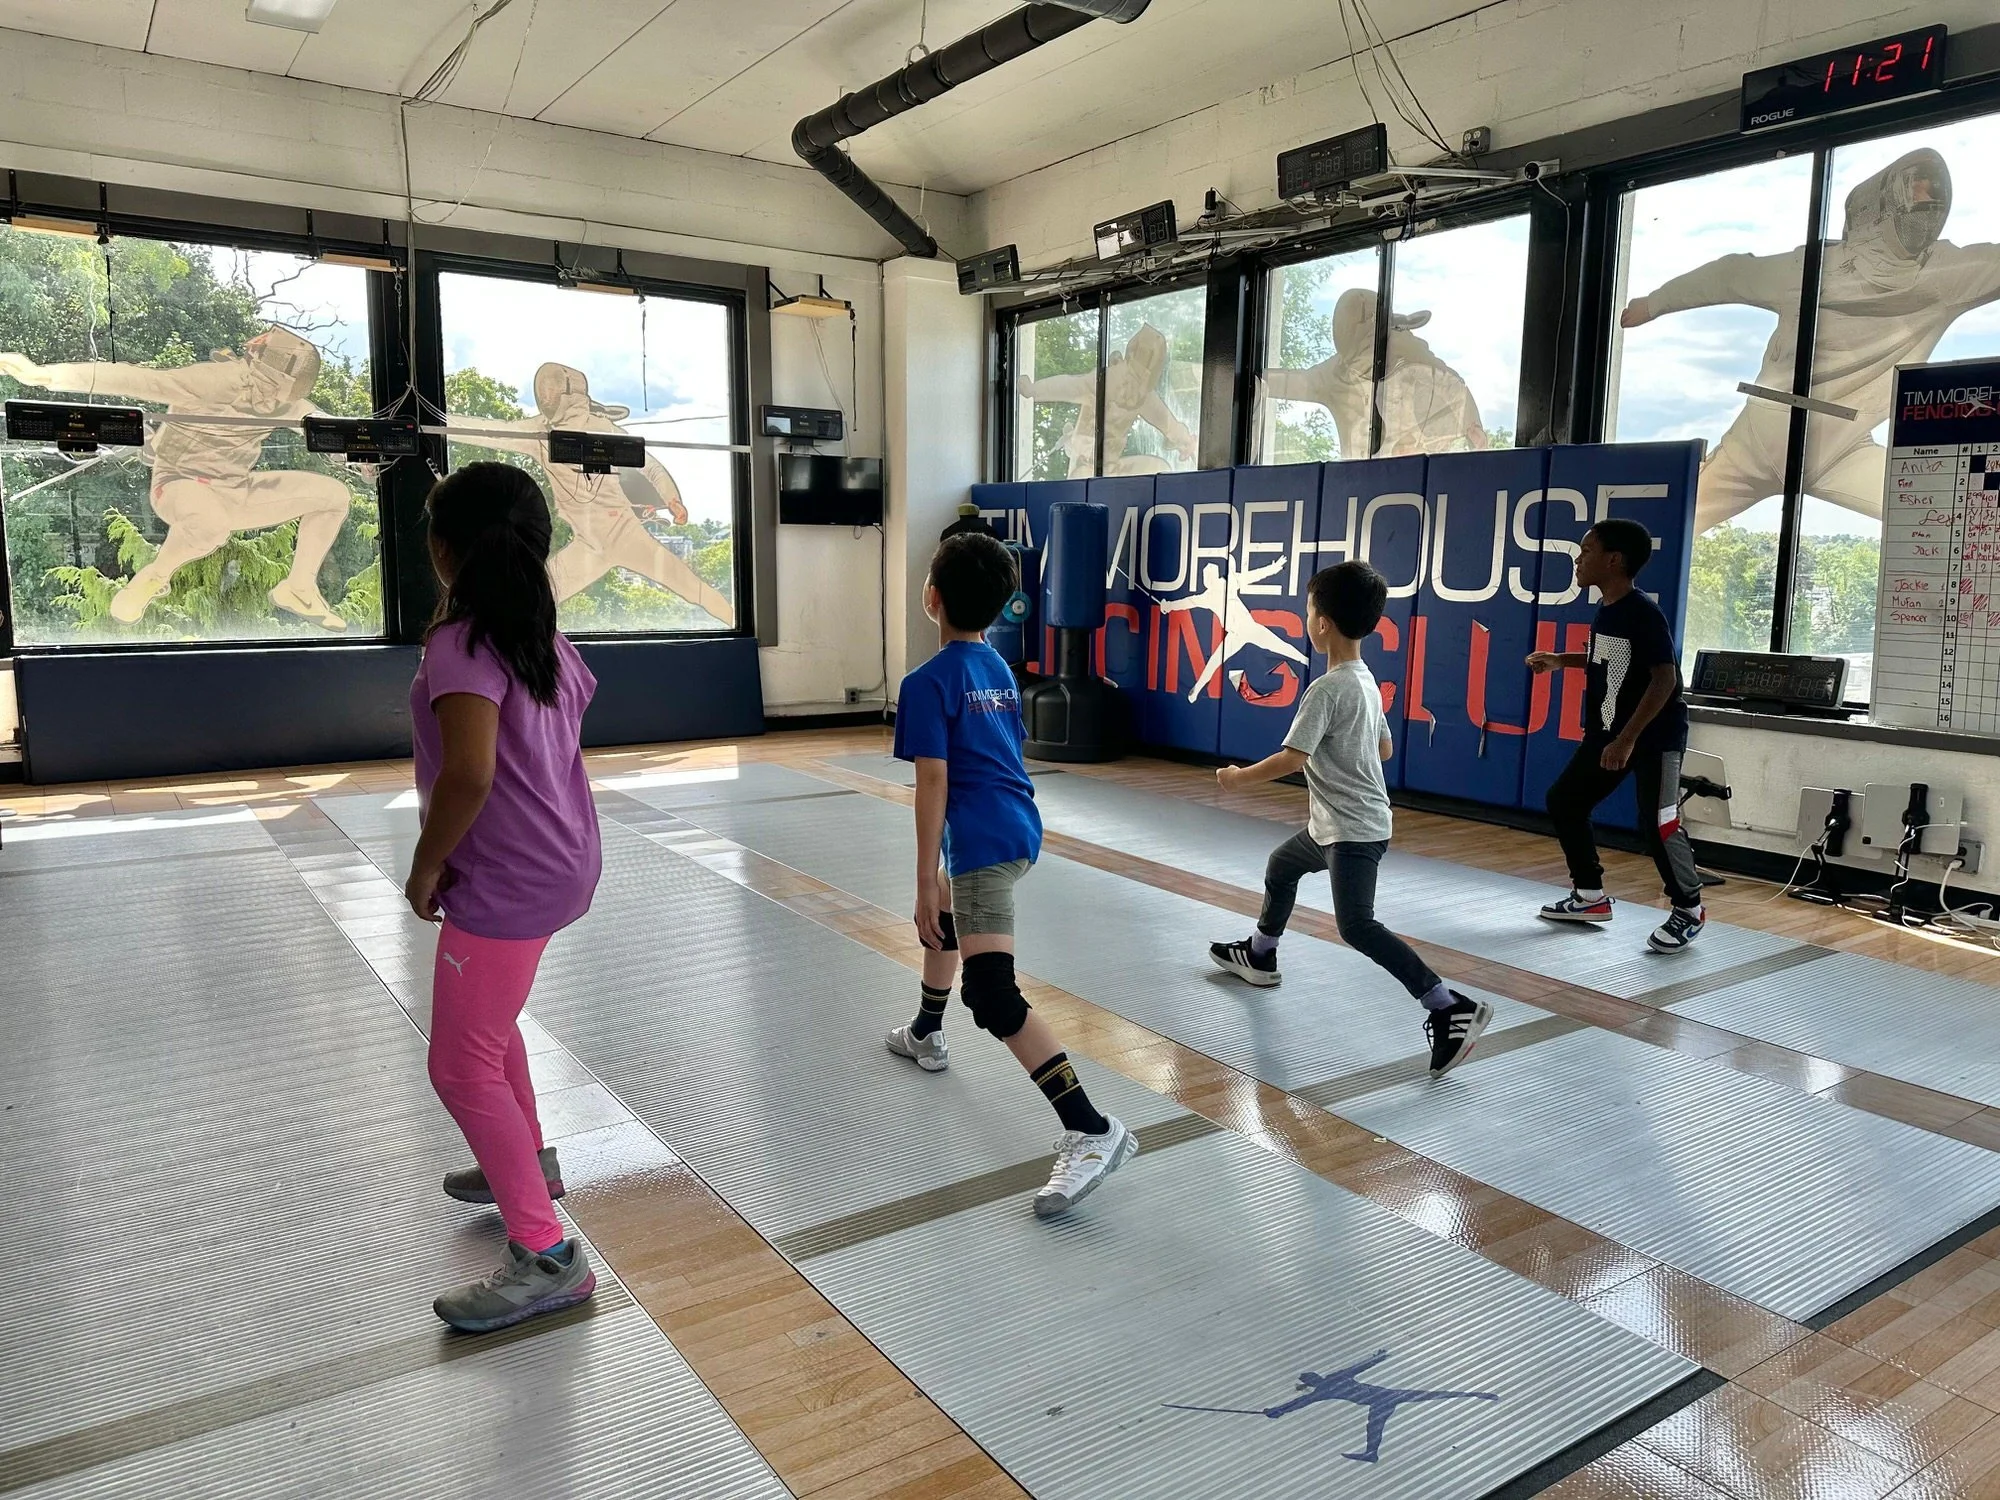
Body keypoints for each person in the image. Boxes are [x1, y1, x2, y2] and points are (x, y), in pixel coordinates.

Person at [403, 461, 603, 1331]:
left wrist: (426, 863)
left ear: (445, 549)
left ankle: (547, 1256)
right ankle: (523, 1163)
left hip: (508, 878)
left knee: (458, 1064)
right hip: (562, 860)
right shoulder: (544, 639)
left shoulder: (462, 643)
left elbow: (470, 774)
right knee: (492, 1027)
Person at [885, 532, 1138, 1216]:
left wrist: (923, 876)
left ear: (930, 597)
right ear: (1001, 608)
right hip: (1018, 825)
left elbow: (932, 782)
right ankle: (925, 1031)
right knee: (947, 915)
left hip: (984, 845)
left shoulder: (925, 683)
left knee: (993, 996)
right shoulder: (999, 666)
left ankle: (1092, 1128)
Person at [1207, 560, 1492, 1075]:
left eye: (1308, 610)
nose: (1306, 618)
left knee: (1357, 925)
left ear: (1322, 623)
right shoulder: (1364, 681)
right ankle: (1261, 954)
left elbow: (1292, 758)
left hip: (1352, 831)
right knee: (1281, 866)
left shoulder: (1326, 688)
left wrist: (1237, 779)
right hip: (1334, 825)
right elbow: (1384, 748)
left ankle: (1448, 1005)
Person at [1620, 148, 2000, 531]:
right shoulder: (1815, 270)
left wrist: (1653, 303)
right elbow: (1729, 274)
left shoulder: (1943, 275)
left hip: (1839, 448)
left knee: (1962, 510)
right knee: (1656, 536)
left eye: (1933, 196)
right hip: (1765, 438)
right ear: (1881, 202)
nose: (1927, 206)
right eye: (1919, 192)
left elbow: (1730, 273)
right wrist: (1653, 303)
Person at [0, 329, 353, 629]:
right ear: (251, 365)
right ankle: (155, 576)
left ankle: (299, 588)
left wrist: (357, 454)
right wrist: (45, 375)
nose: (272, 400)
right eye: (268, 387)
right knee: (211, 525)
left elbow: (325, 426)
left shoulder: (286, 402)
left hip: (236, 491)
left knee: (334, 497)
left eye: (283, 395)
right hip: (180, 484)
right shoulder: (212, 381)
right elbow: (133, 379)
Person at [1527, 518, 1704, 952]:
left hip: (1652, 737)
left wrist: (1626, 740)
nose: (1578, 559)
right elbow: (1608, 658)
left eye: (1587, 551)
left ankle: (1690, 909)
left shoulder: (1643, 612)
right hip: (1608, 734)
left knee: (1659, 822)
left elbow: (1665, 679)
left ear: (1614, 560)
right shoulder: (1608, 608)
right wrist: (1561, 660)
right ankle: (1590, 896)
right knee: (1566, 800)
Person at [452, 361, 733, 625]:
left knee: (691, 587)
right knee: (530, 602)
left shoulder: (602, 430)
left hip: (625, 534)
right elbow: (490, 431)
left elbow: (651, 467)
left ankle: (738, 621)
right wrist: (439, 423)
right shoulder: (538, 432)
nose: (546, 397)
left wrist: (672, 500)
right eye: (543, 391)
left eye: (552, 390)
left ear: (570, 394)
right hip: (588, 547)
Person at [1264, 289, 1489, 459]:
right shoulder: (1337, 371)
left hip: (1389, 487)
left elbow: (1462, 408)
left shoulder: (1415, 360)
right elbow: (1287, 383)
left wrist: (1472, 433)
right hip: (1368, 486)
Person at [1017, 324, 1197, 478]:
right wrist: (1034, 390)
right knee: (1085, 485)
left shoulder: (1144, 395)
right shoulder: (1106, 381)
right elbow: (1070, 386)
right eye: (1136, 375)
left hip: (1112, 468)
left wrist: (1186, 441)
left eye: (1144, 378)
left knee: (1159, 468)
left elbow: (1166, 422)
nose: (1134, 387)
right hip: (1086, 466)